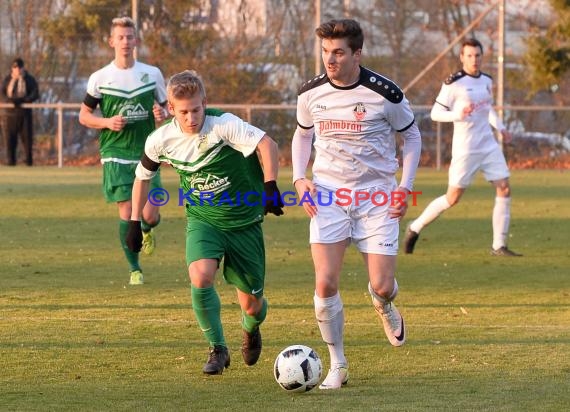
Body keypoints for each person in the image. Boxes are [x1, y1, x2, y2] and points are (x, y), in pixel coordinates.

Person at [292, 19, 422, 390]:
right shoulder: (310, 93)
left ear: (356, 54)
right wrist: (300, 177)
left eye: (338, 53)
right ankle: (338, 364)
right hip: (329, 196)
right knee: (325, 282)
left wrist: (404, 186)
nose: (329, 60)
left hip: (377, 197)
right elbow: (302, 137)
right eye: (325, 52)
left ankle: (383, 303)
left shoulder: (385, 93)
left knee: (381, 284)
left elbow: (411, 137)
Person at [126, 69, 284, 375]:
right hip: (203, 220)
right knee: (200, 277)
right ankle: (217, 349)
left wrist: (270, 185)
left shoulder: (223, 125)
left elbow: (268, 145)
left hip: (243, 222)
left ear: (204, 103)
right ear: (171, 109)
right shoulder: (161, 139)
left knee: (252, 306)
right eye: (183, 112)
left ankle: (250, 327)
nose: (191, 118)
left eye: (196, 109)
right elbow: (141, 178)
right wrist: (135, 221)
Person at [404, 38, 521, 257]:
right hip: (465, 149)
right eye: (469, 55)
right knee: (452, 198)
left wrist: (501, 128)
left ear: (481, 57)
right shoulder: (453, 83)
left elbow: (488, 109)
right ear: (462, 57)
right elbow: (435, 114)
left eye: (477, 55)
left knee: (504, 187)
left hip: (488, 144)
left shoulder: (487, 80)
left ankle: (499, 246)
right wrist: (458, 114)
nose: (474, 59)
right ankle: (415, 227)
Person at [78, 16, 168, 285]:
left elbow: (168, 108)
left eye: (130, 37)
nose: (125, 42)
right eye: (120, 37)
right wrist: (106, 121)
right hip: (114, 152)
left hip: (147, 151)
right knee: (128, 210)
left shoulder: (152, 74)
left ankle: (147, 229)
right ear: (111, 42)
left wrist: (161, 112)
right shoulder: (100, 78)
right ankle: (135, 269)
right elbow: (84, 116)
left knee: (150, 213)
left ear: (136, 41)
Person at [1, 58, 39, 166]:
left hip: (25, 115)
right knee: (10, 141)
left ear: (23, 68)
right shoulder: (7, 79)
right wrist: (10, 101)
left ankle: (29, 162)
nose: (17, 70)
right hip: (10, 115)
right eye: (15, 67)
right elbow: (2, 93)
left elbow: (35, 93)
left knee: (27, 140)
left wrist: (23, 100)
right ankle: (11, 162)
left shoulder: (29, 79)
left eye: (19, 67)